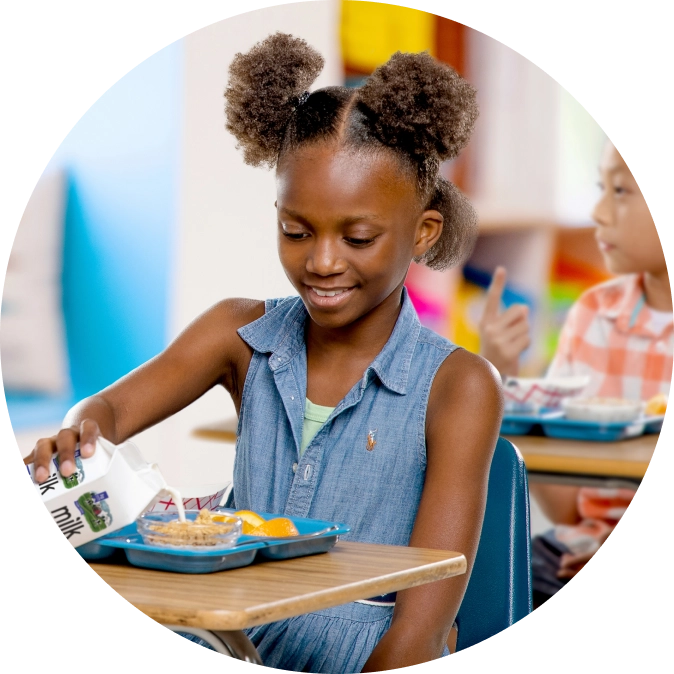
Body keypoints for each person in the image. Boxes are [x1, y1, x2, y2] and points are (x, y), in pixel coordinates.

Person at [25, 33, 504, 672]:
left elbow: (422, 628)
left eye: (358, 237)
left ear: (423, 232)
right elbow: (106, 411)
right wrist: (76, 439)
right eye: (295, 231)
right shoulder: (239, 336)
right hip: (236, 642)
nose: (323, 261)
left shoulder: (458, 386)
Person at [479, 139, 673, 605]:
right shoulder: (594, 314)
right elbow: (568, 509)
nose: (599, 212)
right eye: (600, 188)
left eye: (622, 191)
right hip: (576, 551)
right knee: (481, 587)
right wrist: (499, 378)